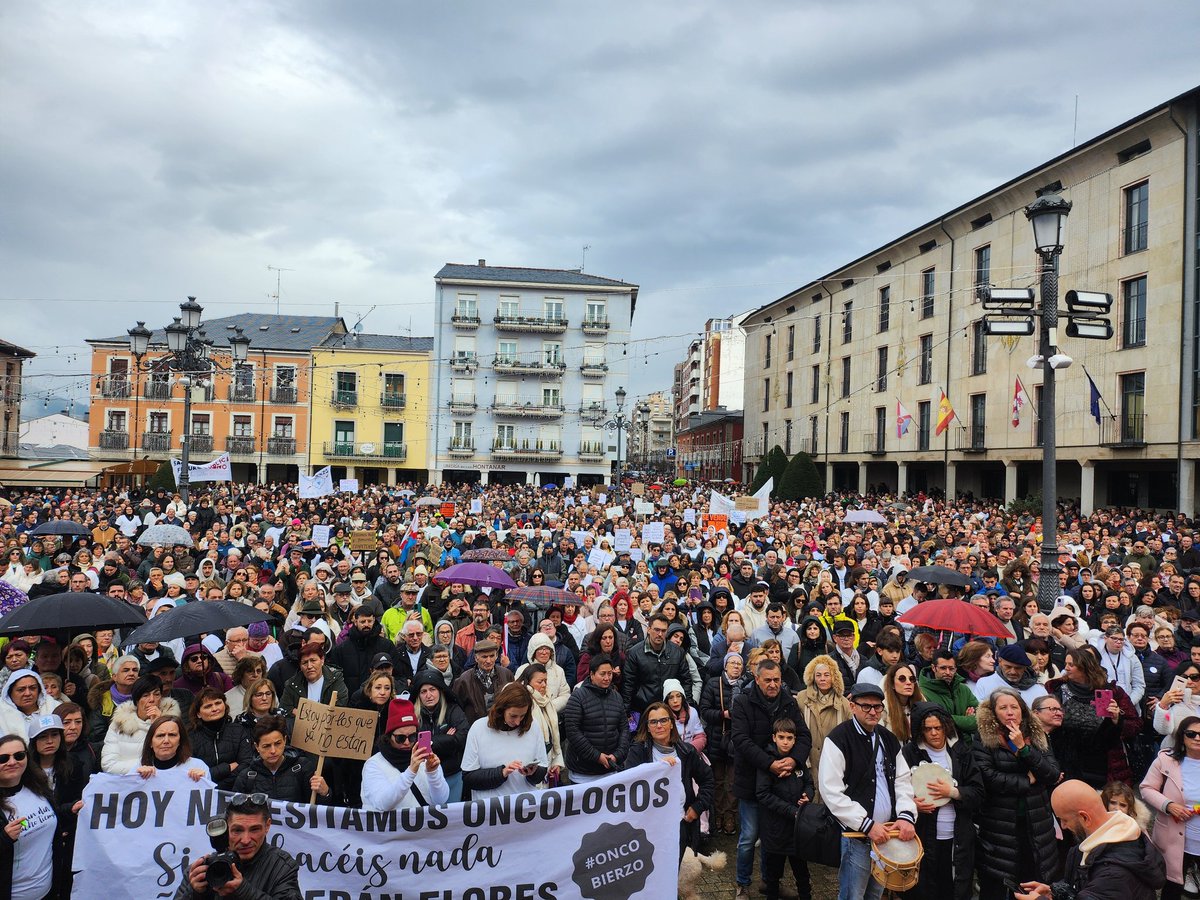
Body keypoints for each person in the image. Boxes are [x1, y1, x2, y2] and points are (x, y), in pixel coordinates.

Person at [819, 681, 917, 900]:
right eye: (866, 706)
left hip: (887, 835)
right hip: (859, 837)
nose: (873, 711)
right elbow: (830, 790)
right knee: (853, 896)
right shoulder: (838, 739)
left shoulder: (889, 739)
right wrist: (866, 824)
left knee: (875, 895)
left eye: (877, 707)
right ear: (852, 706)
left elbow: (902, 780)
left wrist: (906, 816)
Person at [973, 688, 1062, 900]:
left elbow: (1051, 773)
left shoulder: (1037, 735)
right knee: (999, 882)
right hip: (1000, 825)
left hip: (1036, 822)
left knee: (1033, 878)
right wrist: (1027, 780)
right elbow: (987, 777)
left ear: (1023, 711)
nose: (1010, 712)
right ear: (993, 712)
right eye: (1003, 708)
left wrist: (1024, 748)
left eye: (1014, 707)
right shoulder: (983, 739)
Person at [1015, 779, 1165, 900]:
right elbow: (1086, 890)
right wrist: (1053, 892)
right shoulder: (1112, 837)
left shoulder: (1113, 874)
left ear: (1085, 817)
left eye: (1064, 819)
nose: (1063, 826)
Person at [731, 658, 807, 900]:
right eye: (768, 680)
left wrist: (793, 760)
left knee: (771, 840)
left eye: (777, 680)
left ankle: (768, 881)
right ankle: (742, 884)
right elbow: (741, 740)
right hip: (751, 781)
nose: (773, 684)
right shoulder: (743, 702)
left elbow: (804, 735)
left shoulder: (788, 702)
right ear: (757, 679)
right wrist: (770, 764)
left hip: (781, 785)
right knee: (748, 837)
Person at [901, 702, 984, 900]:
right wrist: (913, 805)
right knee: (925, 888)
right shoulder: (909, 754)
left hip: (956, 837)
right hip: (923, 834)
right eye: (928, 729)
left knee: (953, 887)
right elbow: (898, 791)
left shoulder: (961, 752)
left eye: (938, 728)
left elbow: (978, 792)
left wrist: (953, 792)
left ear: (945, 726)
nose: (934, 733)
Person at [625, 700, 714, 861]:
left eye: (664, 720)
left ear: (671, 724)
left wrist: (697, 807)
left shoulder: (686, 752)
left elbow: (707, 779)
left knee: (673, 874)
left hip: (678, 825)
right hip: (646, 828)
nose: (659, 726)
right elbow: (628, 783)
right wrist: (659, 768)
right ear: (647, 727)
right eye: (653, 722)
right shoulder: (638, 752)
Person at [1044, 647, 1141, 787]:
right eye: (1066, 664)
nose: (1066, 668)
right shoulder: (1056, 689)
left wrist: (1116, 720)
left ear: (1085, 667)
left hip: (1103, 761)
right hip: (1065, 760)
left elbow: (1135, 724)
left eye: (1071, 665)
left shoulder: (1111, 691)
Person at [177, 792, 302, 899]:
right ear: (226, 828)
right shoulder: (201, 871)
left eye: (254, 830)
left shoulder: (282, 867)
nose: (246, 840)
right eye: (238, 830)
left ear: (267, 826)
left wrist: (243, 891)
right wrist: (194, 893)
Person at [1140, 713, 1200, 899]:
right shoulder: (1165, 760)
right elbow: (1146, 788)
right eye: (1191, 734)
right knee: (1172, 886)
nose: (1198, 738)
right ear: (1181, 736)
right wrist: (1168, 805)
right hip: (1175, 837)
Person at [753, 717, 813, 900]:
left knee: (802, 874)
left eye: (789, 738)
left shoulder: (798, 760)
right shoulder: (768, 762)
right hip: (775, 830)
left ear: (795, 739)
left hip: (797, 831)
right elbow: (762, 794)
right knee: (773, 876)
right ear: (774, 737)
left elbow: (809, 782)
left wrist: (808, 795)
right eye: (781, 737)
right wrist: (791, 811)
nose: (785, 742)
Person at [460, 682, 548, 801]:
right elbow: (469, 777)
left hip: (525, 807)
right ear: (501, 709)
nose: (517, 722)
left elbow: (542, 768)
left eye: (522, 716)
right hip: (491, 809)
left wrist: (533, 772)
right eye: (513, 716)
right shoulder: (479, 728)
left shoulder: (533, 726)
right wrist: (501, 773)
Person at [361, 698, 449, 810]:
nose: (407, 742)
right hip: (392, 826)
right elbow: (382, 804)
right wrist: (411, 772)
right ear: (389, 736)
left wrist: (433, 774)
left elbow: (441, 800)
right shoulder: (374, 764)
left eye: (412, 737)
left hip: (423, 825)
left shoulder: (424, 758)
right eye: (400, 738)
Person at [0, 733, 57, 900]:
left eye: (19, 756)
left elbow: (53, 819)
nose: (12, 762)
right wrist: (4, 837)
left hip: (47, 890)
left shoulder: (39, 787)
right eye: (3, 758)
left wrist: (71, 810)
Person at [562, 654, 629, 784]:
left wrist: (618, 754)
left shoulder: (616, 697)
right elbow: (573, 732)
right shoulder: (578, 697)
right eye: (602, 674)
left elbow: (624, 728)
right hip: (582, 773)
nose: (607, 678)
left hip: (611, 770)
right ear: (592, 675)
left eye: (610, 674)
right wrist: (596, 756)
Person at [232, 715, 331, 802]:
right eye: (266, 746)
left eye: (277, 743)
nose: (273, 751)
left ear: (285, 740)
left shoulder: (303, 767)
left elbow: (318, 812)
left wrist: (325, 793)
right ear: (257, 747)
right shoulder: (246, 777)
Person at [699, 651, 746, 835]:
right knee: (717, 781)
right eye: (732, 663)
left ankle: (730, 816)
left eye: (739, 664)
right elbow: (704, 710)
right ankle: (717, 814)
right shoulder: (713, 683)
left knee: (734, 782)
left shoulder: (745, 685)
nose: (736, 666)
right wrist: (723, 714)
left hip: (737, 740)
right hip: (717, 738)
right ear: (725, 665)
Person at [794, 655, 850, 802]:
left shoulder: (844, 704)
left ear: (834, 677)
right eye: (818, 675)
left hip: (835, 763)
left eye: (827, 675)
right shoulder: (801, 698)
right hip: (808, 761)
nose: (822, 679)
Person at [102, 674, 182, 774]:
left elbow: (179, 758)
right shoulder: (119, 723)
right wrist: (140, 768)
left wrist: (159, 724)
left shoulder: (173, 723)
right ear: (137, 699)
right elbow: (108, 764)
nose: (152, 699)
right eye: (146, 695)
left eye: (156, 694)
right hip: (128, 783)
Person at [411, 669, 468, 803]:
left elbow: (463, 736)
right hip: (423, 777)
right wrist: (448, 738)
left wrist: (427, 743)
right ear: (418, 695)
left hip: (452, 773)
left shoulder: (453, 709)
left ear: (440, 690)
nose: (428, 695)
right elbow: (411, 744)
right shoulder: (413, 714)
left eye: (432, 689)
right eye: (423, 691)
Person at [622, 613, 693, 715]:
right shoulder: (635, 652)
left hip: (671, 708)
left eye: (663, 631)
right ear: (649, 629)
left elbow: (686, 680)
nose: (660, 634)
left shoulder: (677, 652)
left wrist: (687, 706)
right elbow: (628, 684)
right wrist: (626, 712)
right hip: (643, 708)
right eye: (656, 630)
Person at [186, 687, 252, 792]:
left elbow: (247, 764)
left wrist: (217, 786)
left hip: (235, 791)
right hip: (202, 792)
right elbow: (191, 773)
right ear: (198, 713)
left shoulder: (238, 730)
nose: (214, 709)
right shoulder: (190, 737)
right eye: (208, 706)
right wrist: (227, 767)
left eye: (218, 703)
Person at [517, 663, 564, 787]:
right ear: (528, 683)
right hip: (527, 764)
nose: (544, 685)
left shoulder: (546, 701)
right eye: (540, 682)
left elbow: (554, 734)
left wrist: (556, 762)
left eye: (545, 681)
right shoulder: (523, 703)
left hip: (546, 760)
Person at [452, 639, 514, 724]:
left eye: (492, 656)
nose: (488, 661)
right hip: (475, 729)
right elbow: (457, 708)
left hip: (501, 727)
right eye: (484, 657)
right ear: (476, 658)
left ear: (496, 657)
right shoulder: (464, 680)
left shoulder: (507, 674)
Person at [279, 641, 349, 714]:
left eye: (313, 660)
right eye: (305, 663)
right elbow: (284, 710)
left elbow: (340, 706)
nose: (309, 666)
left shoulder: (335, 678)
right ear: (300, 665)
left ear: (322, 660)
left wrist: (300, 713)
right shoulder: (292, 684)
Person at [919, 650, 979, 734]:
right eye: (943, 668)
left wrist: (950, 719)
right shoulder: (922, 692)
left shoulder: (964, 689)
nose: (948, 672)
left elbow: (981, 718)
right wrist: (967, 720)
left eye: (951, 669)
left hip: (967, 744)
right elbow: (937, 723)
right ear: (933, 668)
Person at [136, 714, 210, 782]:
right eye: (160, 735)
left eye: (172, 735)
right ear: (150, 742)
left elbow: (209, 795)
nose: (166, 741)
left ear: (180, 741)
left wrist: (203, 781)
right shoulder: (139, 767)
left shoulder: (198, 766)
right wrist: (136, 778)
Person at [0, 668, 61, 741]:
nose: (28, 693)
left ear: (40, 690)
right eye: (21, 689)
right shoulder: (2, 714)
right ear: (10, 693)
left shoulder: (56, 707)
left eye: (33, 688)